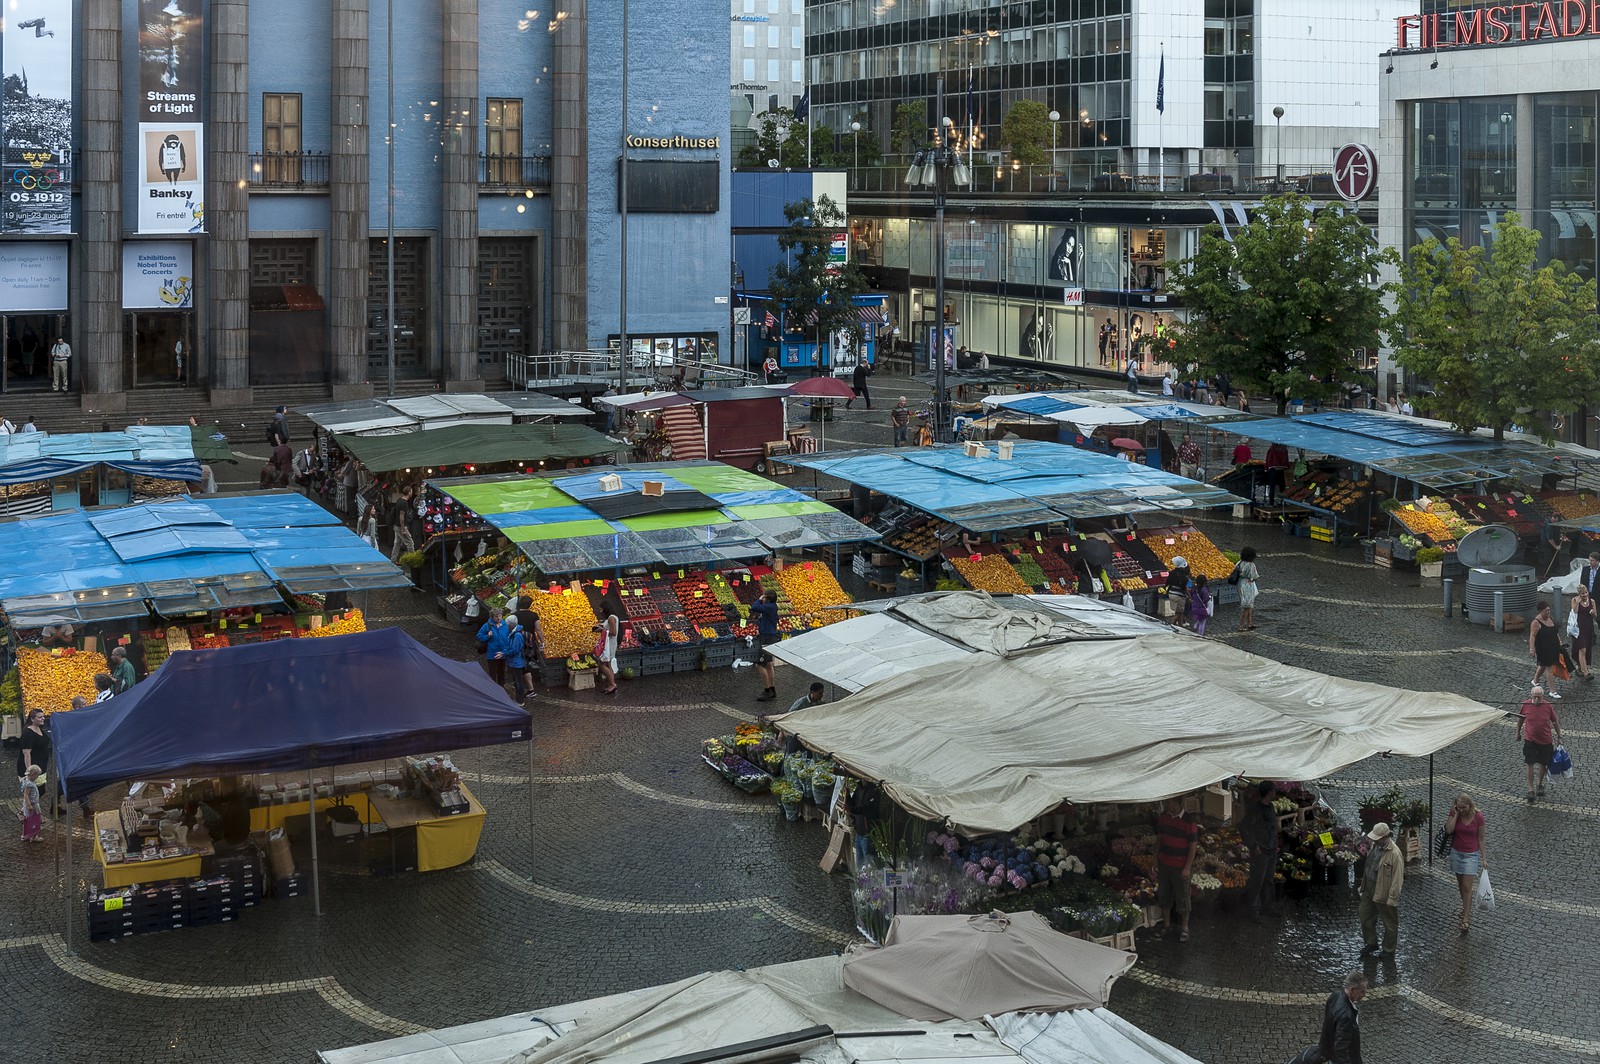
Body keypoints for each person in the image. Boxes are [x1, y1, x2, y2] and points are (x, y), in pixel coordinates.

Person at [1154, 795, 1199, 942]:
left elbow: (1193, 846)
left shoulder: (1189, 821)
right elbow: (1159, 839)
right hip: (1164, 864)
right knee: (1164, 895)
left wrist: (1187, 868)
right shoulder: (1163, 817)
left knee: (1183, 897)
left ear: (1176, 802)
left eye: (1168, 801)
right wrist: (1155, 860)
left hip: (1180, 867)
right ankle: (1167, 925)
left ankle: (1184, 928)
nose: (1166, 804)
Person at [1444, 791, 1489, 933]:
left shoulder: (1478, 817)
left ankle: (1466, 918)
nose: (1462, 810)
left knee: (1467, 886)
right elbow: (1449, 830)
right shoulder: (1455, 813)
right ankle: (1466, 907)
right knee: (1460, 884)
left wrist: (1483, 858)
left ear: (1470, 805)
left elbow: (1481, 838)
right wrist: (1456, 814)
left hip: (1471, 855)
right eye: (1459, 807)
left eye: (1464, 808)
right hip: (1456, 853)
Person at [1357, 822, 1403, 960]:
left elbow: (1397, 879)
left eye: (1377, 838)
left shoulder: (1395, 854)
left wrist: (1392, 898)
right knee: (1364, 916)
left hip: (1384, 891)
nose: (1374, 840)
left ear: (1385, 837)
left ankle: (1389, 949)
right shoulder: (1374, 846)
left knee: (1389, 923)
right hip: (1369, 888)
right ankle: (1371, 943)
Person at [1239, 780, 1281, 922]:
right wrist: (1253, 845)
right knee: (1257, 881)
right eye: (1274, 790)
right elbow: (1243, 827)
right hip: (1261, 851)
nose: (1275, 793)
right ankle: (1254, 910)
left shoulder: (1271, 807)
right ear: (1269, 793)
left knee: (1269, 879)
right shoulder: (1255, 809)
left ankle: (1267, 906)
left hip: (1271, 849)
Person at [1517, 686, 1562, 804]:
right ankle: (1530, 789)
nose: (1537, 699)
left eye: (1539, 697)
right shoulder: (1526, 704)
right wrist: (1518, 732)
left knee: (1543, 763)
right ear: (1531, 696)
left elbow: (1555, 721)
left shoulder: (1548, 706)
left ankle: (1540, 784)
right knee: (1529, 763)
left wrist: (1559, 736)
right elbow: (1521, 719)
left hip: (1545, 740)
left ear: (1543, 696)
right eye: (1535, 697)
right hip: (1530, 740)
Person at [1312, 972, 1368, 1064]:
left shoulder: (1335, 996)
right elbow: (1341, 1050)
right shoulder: (1346, 1016)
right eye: (1362, 991)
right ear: (1352, 990)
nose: (1364, 994)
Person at [1528, 600, 1564, 698]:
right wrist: (1531, 648)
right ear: (1540, 611)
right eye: (1546, 611)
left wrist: (1560, 642)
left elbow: (1555, 632)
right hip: (1543, 648)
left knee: (1543, 665)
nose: (1548, 612)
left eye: (1549, 610)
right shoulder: (1536, 622)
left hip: (1553, 646)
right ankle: (1552, 691)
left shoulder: (1550, 618)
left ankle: (1535, 680)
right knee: (1549, 668)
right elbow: (1532, 636)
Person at [751, 590, 782, 702]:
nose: (762, 599)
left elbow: (754, 607)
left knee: (759, 665)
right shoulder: (772, 607)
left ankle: (767, 690)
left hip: (767, 638)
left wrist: (759, 599)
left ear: (767, 599)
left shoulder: (769, 607)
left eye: (764, 597)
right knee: (768, 664)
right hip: (770, 636)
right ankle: (772, 689)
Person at [476, 606, 512, 687]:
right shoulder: (487, 625)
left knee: (502, 673)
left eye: (500, 616)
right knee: (493, 674)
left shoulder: (505, 625)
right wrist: (487, 636)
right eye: (496, 616)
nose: (498, 618)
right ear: (492, 617)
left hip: (503, 653)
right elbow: (479, 636)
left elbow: (509, 637)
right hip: (493, 654)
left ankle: (501, 689)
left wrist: (506, 650)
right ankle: (492, 689)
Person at [503, 614, 533, 703]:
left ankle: (520, 700)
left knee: (518, 682)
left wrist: (504, 653)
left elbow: (515, 650)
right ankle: (519, 699)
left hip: (517, 662)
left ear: (509, 625)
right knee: (517, 681)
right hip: (516, 661)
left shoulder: (517, 635)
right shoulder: (516, 633)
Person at [594, 602, 620, 695]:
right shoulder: (611, 618)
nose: (600, 611)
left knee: (602, 665)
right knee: (608, 665)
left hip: (609, 645)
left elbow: (613, 632)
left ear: (605, 609)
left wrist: (602, 630)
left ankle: (613, 684)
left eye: (601, 609)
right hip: (609, 644)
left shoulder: (611, 618)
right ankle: (611, 686)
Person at [1571, 585, 1596, 680]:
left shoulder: (1592, 601)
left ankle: (1579, 666)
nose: (1585, 595)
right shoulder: (1574, 600)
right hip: (1578, 629)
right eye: (1582, 593)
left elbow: (1595, 616)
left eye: (1586, 592)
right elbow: (1575, 611)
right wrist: (1577, 602)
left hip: (1588, 628)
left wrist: (1593, 613)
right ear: (1579, 594)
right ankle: (1586, 672)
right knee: (1582, 649)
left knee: (1587, 649)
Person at [1235, 546, 1260, 631]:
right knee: (1247, 606)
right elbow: (1255, 577)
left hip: (1240, 584)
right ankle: (1241, 626)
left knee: (1248, 605)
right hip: (1248, 586)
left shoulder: (1239, 563)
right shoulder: (1251, 565)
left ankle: (1250, 623)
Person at [19, 765, 44, 843]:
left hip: (29, 804)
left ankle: (26, 835)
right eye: (37, 775)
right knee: (34, 820)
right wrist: (29, 805)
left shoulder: (26, 780)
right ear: (33, 774)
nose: (37, 777)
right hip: (32, 804)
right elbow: (26, 795)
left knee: (27, 820)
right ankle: (34, 836)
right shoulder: (29, 784)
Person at [1165, 556, 1191, 627]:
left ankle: (1180, 625)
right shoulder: (1184, 578)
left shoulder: (1172, 573)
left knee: (1178, 611)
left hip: (1171, 594)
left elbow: (1167, 583)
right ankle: (1171, 625)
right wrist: (1189, 596)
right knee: (1179, 613)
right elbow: (1185, 589)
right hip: (1179, 596)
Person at [1263, 441, 1290, 505]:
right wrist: (1287, 466)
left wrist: (1266, 468)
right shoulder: (1284, 449)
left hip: (1273, 469)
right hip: (1281, 469)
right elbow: (1286, 459)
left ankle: (1271, 502)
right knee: (1282, 487)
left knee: (1272, 486)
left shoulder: (1272, 449)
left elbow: (1268, 458)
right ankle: (1283, 501)